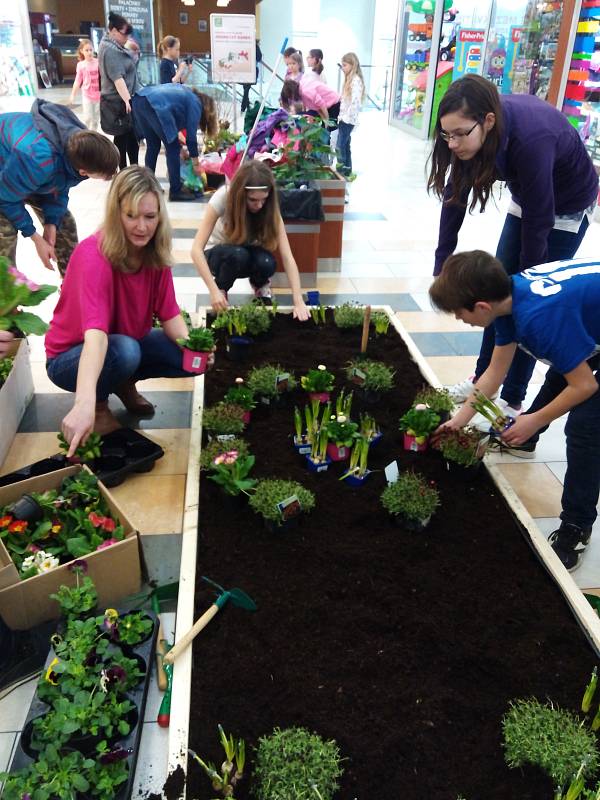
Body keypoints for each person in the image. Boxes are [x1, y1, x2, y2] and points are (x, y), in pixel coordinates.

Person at [428, 75, 598, 415]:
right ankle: (483, 381)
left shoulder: (532, 138)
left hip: (566, 204)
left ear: (488, 121)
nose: (452, 143)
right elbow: (454, 199)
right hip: (530, 192)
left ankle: (511, 397)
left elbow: (540, 219)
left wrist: (529, 283)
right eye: (446, 134)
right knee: (497, 296)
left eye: (460, 134)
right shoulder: (471, 133)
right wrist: (442, 266)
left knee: (526, 303)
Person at [429, 250, 600, 571]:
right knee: (562, 369)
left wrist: (533, 420)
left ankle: (577, 524)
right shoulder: (508, 299)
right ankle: (525, 439)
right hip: (588, 316)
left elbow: (585, 386)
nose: (458, 319)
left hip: (576, 321)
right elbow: (493, 374)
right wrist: (457, 422)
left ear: (480, 306)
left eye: (457, 313)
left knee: (584, 428)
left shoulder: (539, 320)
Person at [45, 166, 209, 453]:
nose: (142, 227)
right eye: (131, 216)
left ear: (160, 216)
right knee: (126, 351)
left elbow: (170, 314)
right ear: (116, 213)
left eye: (150, 216)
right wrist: (83, 405)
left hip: (121, 345)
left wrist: (197, 348)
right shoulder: (94, 255)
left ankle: (123, 383)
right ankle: (98, 406)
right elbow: (96, 336)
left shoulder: (153, 253)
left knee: (185, 356)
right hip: (70, 356)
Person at [0, 99, 119, 276]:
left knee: (64, 223)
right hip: (8, 173)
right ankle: (7, 299)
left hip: (22, 169)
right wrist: (34, 237)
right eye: (103, 176)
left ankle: (73, 285)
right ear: (84, 171)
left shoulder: (78, 148)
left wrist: (51, 223)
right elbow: (5, 198)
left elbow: (60, 184)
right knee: (6, 232)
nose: (109, 177)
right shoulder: (38, 159)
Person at [190, 160, 310, 321]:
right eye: (253, 200)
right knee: (238, 255)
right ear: (241, 195)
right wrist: (213, 291)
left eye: (263, 199)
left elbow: (287, 256)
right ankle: (222, 288)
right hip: (219, 253)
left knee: (267, 262)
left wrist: (298, 300)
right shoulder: (224, 197)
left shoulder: (269, 207)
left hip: (246, 252)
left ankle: (260, 285)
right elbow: (196, 250)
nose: (259, 205)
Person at [131, 83, 217, 202]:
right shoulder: (195, 103)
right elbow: (191, 138)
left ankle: (148, 187)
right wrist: (196, 164)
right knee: (173, 149)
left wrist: (181, 147)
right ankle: (176, 192)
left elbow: (172, 127)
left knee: (153, 146)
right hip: (155, 103)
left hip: (140, 98)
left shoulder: (185, 96)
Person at [98, 11, 140, 170]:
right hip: (118, 103)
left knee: (129, 139)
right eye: (125, 34)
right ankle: (125, 172)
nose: (127, 38)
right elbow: (118, 78)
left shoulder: (111, 45)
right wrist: (127, 100)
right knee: (123, 140)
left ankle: (130, 170)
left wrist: (131, 47)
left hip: (121, 101)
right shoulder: (110, 50)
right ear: (113, 31)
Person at [287, 52, 340, 124]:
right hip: (323, 106)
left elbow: (321, 105)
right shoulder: (300, 84)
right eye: (289, 64)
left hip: (333, 104)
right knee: (305, 117)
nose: (291, 66)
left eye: (293, 63)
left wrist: (326, 122)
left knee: (324, 124)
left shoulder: (306, 89)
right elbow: (315, 106)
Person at [336, 52, 365, 178]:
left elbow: (356, 102)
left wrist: (346, 117)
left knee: (339, 146)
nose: (343, 68)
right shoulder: (349, 79)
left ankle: (341, 172)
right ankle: (348, 171)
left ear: (353, 65)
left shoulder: (356, 80)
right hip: (344, 119)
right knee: (346, 145)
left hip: (348, 120)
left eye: (345, 65)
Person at [69, 39, 100, 131]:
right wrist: (72, 95)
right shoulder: (81, 65)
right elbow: (78, 81)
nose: (89, 52)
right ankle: (86, 133)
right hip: (87, 95)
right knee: (88, 118)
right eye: (86, 50)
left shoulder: (98, 62)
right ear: (82, 51)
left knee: (95, 119)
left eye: (91, 50)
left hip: (99, 95)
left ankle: (93, 135)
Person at [241, 40, 262, 113]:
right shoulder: (255, 46)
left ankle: (246, 106)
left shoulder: (244, 44)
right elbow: (259, 58)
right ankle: (244, 107)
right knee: (246, 89)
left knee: (246, 88)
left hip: (244, 68)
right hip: (251, 70)